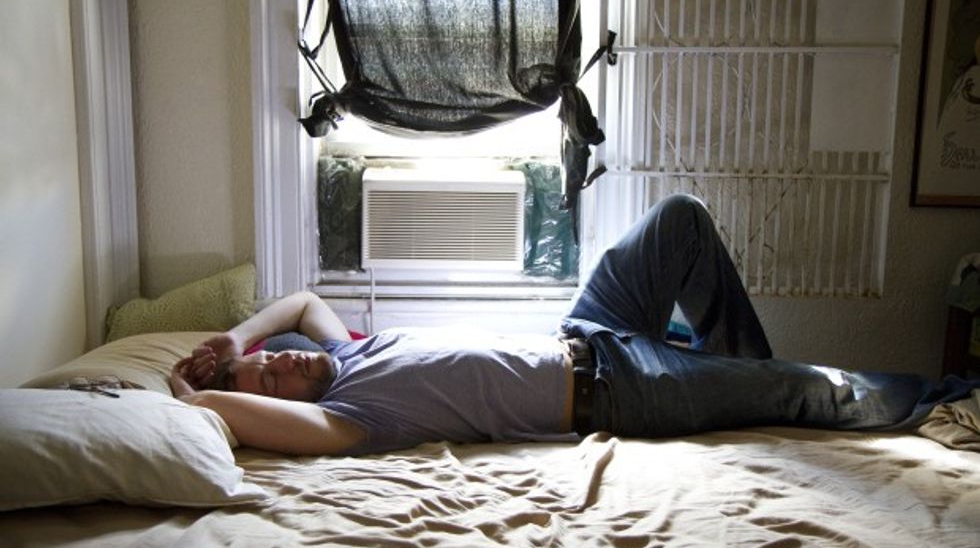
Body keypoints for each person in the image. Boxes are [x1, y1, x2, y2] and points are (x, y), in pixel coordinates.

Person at [170, 194, 978, 456]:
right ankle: (953, 397)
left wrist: (235, 342)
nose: (276, 370)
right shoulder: (349, 418)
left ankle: (745, 386)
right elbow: (213, 411)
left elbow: (304, 299)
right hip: (620, 390)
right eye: (264, 384)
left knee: (680, 221)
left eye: (272, 360)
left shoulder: (350, 351)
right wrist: (191, 387)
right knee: (812, 390)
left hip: (589, 328)